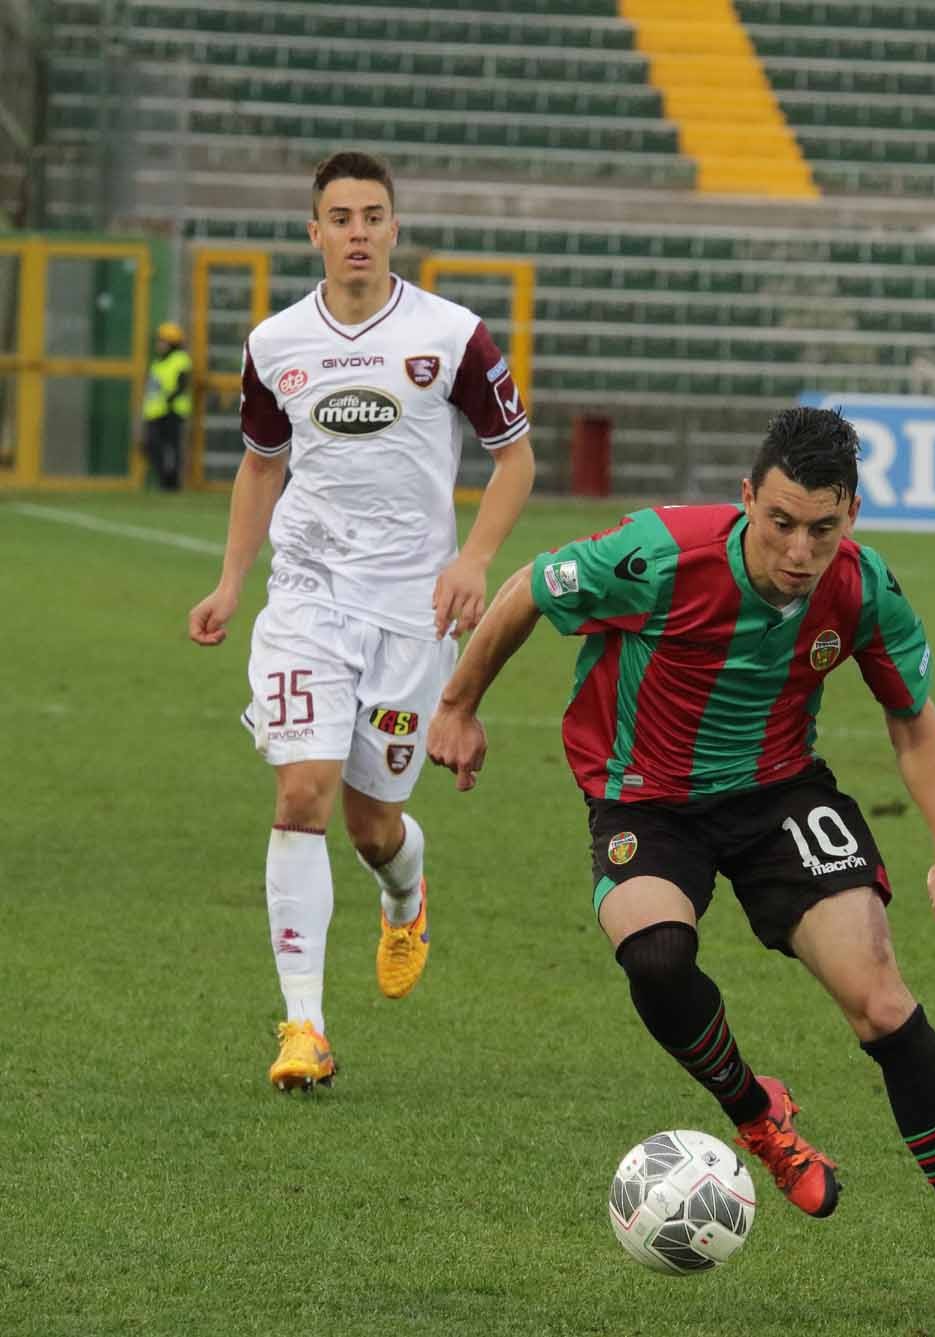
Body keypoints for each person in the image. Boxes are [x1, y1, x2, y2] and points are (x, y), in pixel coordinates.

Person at [424, 407, 935, 1319]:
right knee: (655, 956)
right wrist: (458, 703)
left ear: (852, 517)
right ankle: (756, 1111)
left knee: (882, 1001)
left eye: (824, 528)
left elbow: (912, 717)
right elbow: (528, 586)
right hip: (645, 794)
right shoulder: (657, 555)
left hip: (779, 797)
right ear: (748, 500)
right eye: (782, 523)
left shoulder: (863, 587)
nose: (801, 550)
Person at [186, 150, 537, 1092]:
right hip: (307, 594)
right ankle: (304, 1027)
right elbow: (262, 465)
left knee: (374, 823)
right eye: (338, 217)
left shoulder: (453, 336)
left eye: (372, 216)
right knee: (301, 793)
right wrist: (231, 582)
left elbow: (515, 460)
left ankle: (405, 893)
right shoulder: (275, 344)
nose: (356, 233)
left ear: (393, 227)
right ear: (313, 231)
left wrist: (473, 560)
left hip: (412, 610)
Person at [142, 320, 192, 490]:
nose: (159, 344)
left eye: (163, 341)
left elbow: (182, 383)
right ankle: (164, 480)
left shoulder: (180, 359)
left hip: (172, 411)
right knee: (152, 446)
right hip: (156, 411)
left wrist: (169, 400)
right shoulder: (158, 361)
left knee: (173, 448)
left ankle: (172, 483)